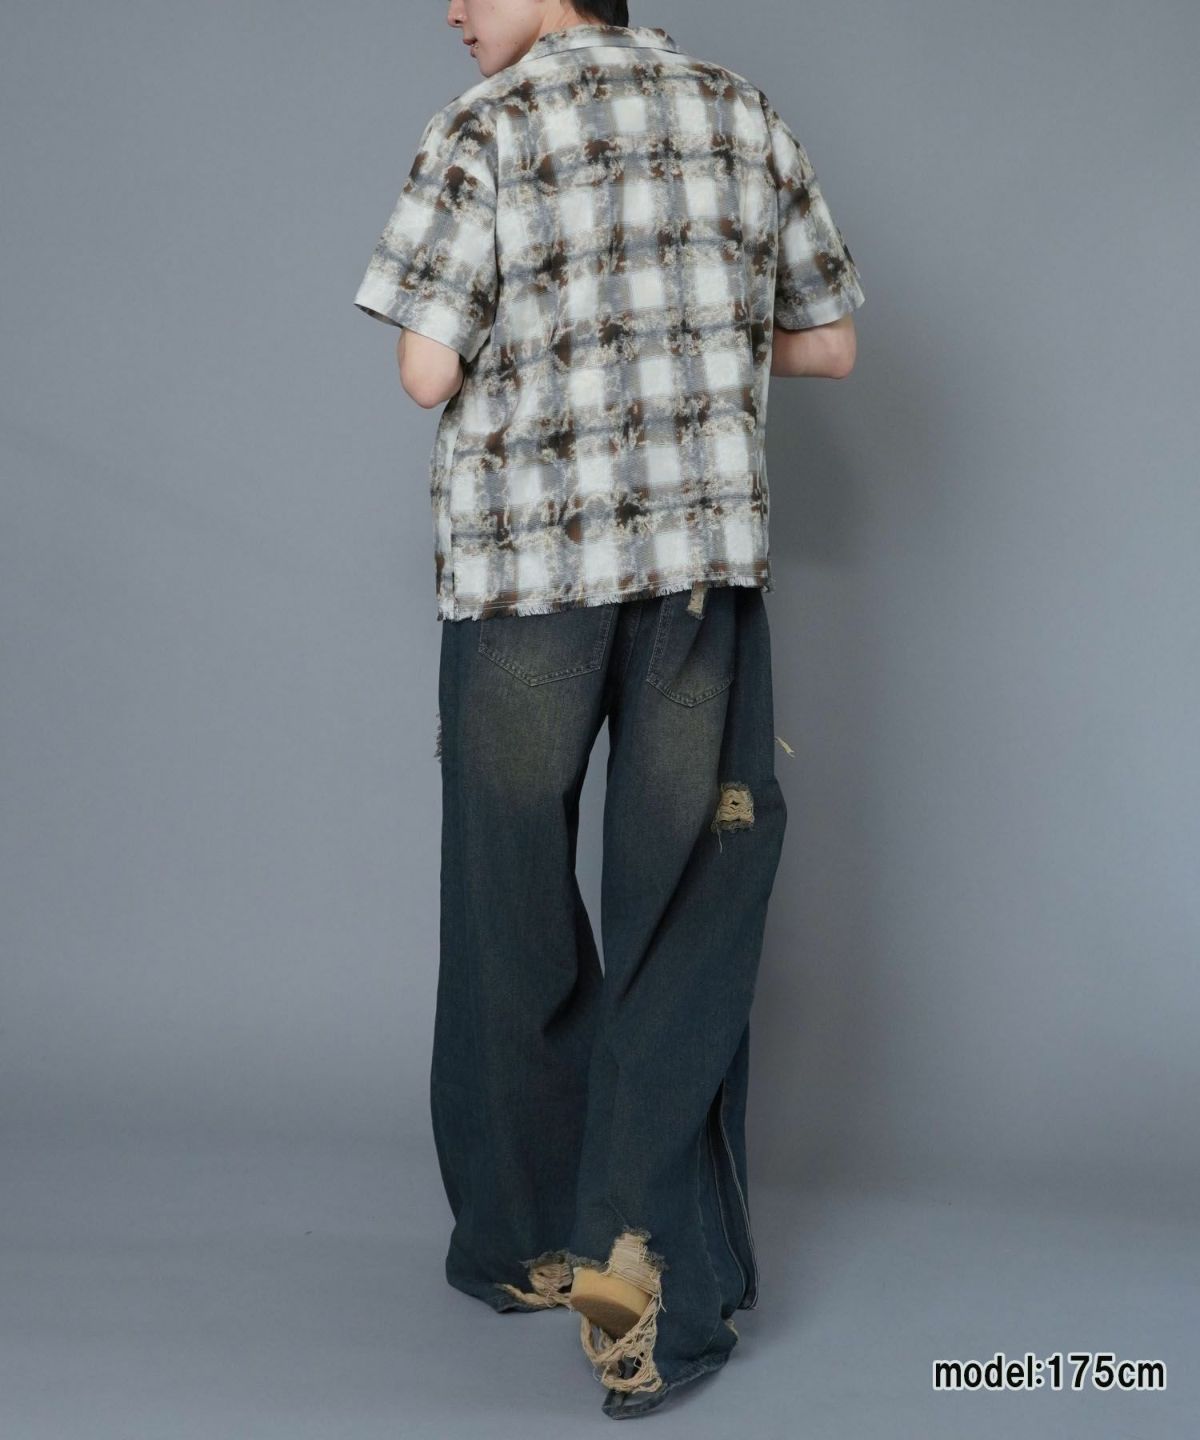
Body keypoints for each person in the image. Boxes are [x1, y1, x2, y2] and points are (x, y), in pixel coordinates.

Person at [353, 0, 864, 1419]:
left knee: (506, 903)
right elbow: (828, 346)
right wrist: (681, 334)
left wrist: (570, 332)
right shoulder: (740, 111)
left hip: (526, 577)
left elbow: (426, 369)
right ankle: (645, 1294)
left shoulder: (486, 127)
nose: (452, 7)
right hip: (697, 574)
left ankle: (522, 1240)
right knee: (683, 916)